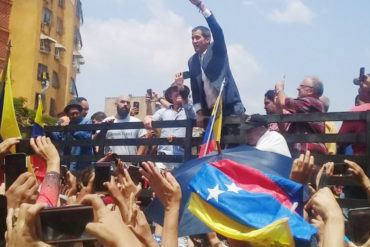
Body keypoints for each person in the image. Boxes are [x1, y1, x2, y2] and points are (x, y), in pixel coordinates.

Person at [187, 0, 245, 128]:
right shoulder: (192, 62)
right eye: (192, 38)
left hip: (230, 109)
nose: (194, 41)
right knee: (214, 148)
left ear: (207, 39)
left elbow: (217, 31)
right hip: (209, 115)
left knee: (233, 146)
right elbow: (195, 90)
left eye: (197, 37)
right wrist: (199, 113)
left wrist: (201, 7)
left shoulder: (217, 49)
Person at [144, 85, 196, 170]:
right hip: (162, 159)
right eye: (175, 90)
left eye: (181, 91)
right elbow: (151, 119)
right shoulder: (163, 111)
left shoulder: (189, 110)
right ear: (170, 96)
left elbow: (192, 114)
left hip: (182, 159)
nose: (179, 92)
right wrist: (147, 118)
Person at [275, 76, 327, 156]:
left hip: (308, 156)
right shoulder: (302, 108)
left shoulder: (312, 102)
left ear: (310, 91)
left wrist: (279, 89)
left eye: (301, 86)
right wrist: (278, 106)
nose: (298, 88)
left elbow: (284, 101)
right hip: (301, 154)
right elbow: (283, 130)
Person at [51, 99, 94, 172]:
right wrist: (49, 131)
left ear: (80, 112)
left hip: (83, 164)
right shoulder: (66, 124)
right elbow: (58, 138)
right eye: (72, 114)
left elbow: (87, 137)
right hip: (68, 162)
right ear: (67, 115)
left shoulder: (86, 121)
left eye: (77, 113)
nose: (75, 115)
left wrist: (71, 130)